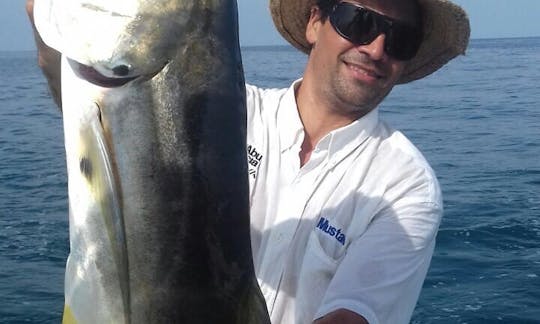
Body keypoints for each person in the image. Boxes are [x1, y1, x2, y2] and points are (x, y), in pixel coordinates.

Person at [27, 0, 470, 322]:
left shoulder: (406, 185)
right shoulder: (230, 113)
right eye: (358, 21)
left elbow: (354, 315)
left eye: (401, 38)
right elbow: (97, 126)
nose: (376, 48)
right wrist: (47, 36)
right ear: (316, 22)